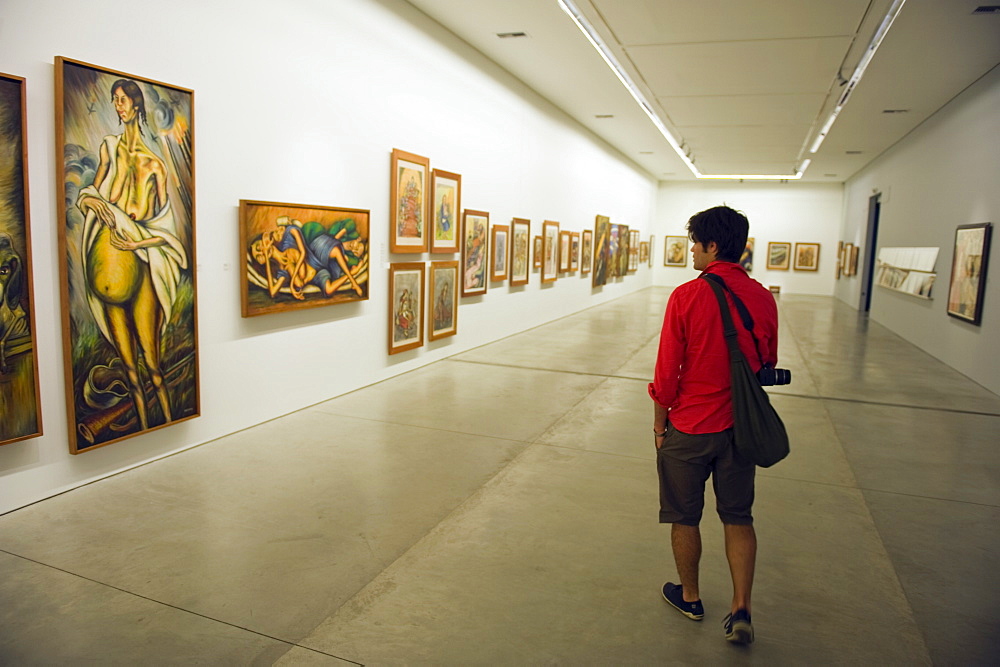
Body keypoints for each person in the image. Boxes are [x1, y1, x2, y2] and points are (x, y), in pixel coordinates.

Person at [649, 205, 778, 645]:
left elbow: (667, 372)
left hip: (690, 426)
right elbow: (766, 363)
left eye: (694, 244)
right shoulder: (762, 297)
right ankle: (741, 607)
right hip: (739, 430)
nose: (690, 252)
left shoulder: (686, 296)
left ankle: (690, 596)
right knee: (738, 516)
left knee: (684, 516)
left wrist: (659, 424)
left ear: (713, 246)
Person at [77, 78, 187, 431]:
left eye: (123, 99)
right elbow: (92, 190)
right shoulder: (109, 148)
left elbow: (162, 230)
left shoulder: (155, 166)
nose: (118, 105)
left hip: (140, 267)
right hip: (108, 263)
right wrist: (93, 200)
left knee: (153, 368)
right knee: (129, 368)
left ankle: (168, 426)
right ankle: (144, 429)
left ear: (136, 105)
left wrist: (137, 244)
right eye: (114, 100)